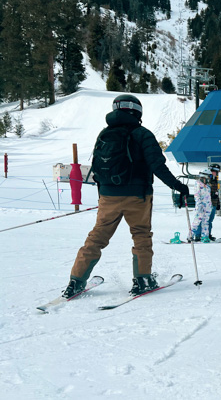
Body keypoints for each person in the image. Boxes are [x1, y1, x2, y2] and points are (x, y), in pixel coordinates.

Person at [62, 94, 190, 298]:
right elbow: (157, 165)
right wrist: (178, 186)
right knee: (141, 235)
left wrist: (103, 195)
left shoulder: (104, 133)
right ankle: (142, 280)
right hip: (137, 196)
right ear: (137, 111)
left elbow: (97, 168)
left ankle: (75, 281)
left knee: (96, 238)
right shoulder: (142, 134)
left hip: (108, 196)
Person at [192, 165, 220, 240]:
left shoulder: (215, 180)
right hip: (204, 203)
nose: (217, 173)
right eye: (216, 172)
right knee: (200, 220)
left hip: (211, 204)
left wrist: (218, 203)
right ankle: (197, 235)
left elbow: (216, 192)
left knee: (208, 220)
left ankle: (207, 235)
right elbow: (200, 194)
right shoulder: (206, 180)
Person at [190, 169, 213, 243]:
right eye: (209, 176)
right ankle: (190, 236)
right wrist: (199, 204)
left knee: (206, 222)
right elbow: (197, 195)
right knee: (196, 222)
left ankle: (205, 236)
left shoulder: (207, 186)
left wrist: (210, 205)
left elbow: (208, 196)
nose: (210, 178)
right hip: (201, 206)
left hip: (207, 207)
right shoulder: (198, 184)